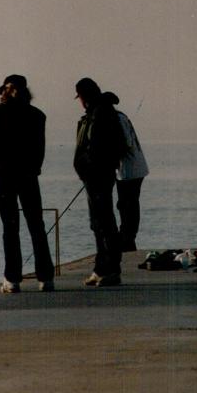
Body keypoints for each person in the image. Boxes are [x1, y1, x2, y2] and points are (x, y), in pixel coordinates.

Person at [0, 74, 55, 294]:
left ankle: (12, 279)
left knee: (10, 228)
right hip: (29, 176)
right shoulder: (38, 116)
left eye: (4, 90)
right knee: (36, 226)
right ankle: (46, 277)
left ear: (7, 91)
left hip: (4, 177)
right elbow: (40, 150)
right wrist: (33, 168)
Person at [73, 78, 127, 287]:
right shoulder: (97, 112)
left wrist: (92, 166)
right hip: (93, 175)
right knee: (98, 222)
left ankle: (111, 269)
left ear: (84, 96)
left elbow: (98, 146)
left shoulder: (100, 113)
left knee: (104, 222)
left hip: (98, 174)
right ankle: (101, 267)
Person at [104, 92, 149, 252]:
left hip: (130, 170)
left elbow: (126, 143)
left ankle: (128, 238)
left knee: (127, 204)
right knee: (126, 204)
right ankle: (127, 238)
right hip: (129, 170)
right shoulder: (118, 117)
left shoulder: (117, 119)